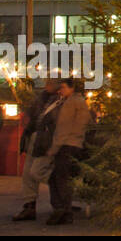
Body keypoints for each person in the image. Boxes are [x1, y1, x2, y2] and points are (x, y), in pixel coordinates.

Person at [11, 80, 62, 222]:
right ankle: (29, 206)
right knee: (27, 174)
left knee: (37, 171)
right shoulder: (41, 97)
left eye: (51, 81)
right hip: (36, 137)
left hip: (47, 140)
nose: (47, 83)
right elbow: (32, 115)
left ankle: (64, 192)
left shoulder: (61, 100)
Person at [46, 78, 90, 226]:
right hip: (76, 144)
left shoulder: (70, 103)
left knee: (59, 179)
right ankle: (65, 211)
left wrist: (53, 149)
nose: (61, 90)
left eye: (63, 87)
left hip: (66, 145)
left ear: (72, 88)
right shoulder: (81, 102)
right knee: (62, 178)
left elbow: (63, 128)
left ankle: (62, 210)